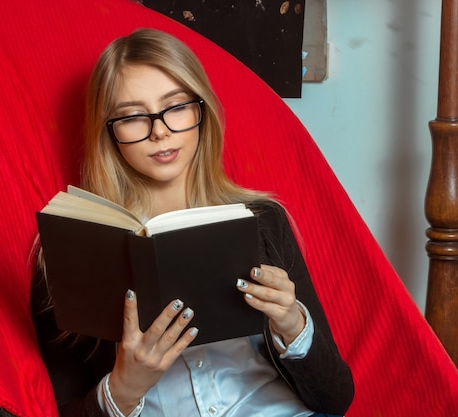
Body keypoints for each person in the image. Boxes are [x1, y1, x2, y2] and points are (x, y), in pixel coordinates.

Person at [31, 28, 354, 417]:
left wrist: (292, 324)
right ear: (108, 132)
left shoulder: (264, 220)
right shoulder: (70, 247)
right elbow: (63, 406)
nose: (160, 131)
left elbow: (336, 399)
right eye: (133, 117)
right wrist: (123, 388)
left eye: (176, 106)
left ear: (201, 111)